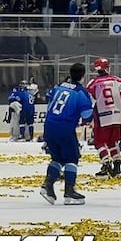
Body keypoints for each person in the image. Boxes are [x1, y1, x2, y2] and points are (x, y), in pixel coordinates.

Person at [40, 63, 93, 205]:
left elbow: (50, 100)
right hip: (65, 127)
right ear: (83, 76)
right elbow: (87, 115)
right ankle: (69, 191)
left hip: (49, 125)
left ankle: (47, 185)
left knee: (57, 158)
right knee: (72, 158)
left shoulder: (59, 87)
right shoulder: (81, 92)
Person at [86, 58, 121, 178]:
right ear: (107, 68)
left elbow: (89, 99)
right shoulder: (118, 81)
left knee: (99, 142)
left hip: (102, 116)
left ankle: (106, 164)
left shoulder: (92, 83)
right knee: (113, 141)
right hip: (117, 116)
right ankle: (117, 166)